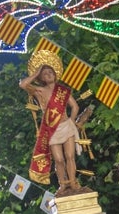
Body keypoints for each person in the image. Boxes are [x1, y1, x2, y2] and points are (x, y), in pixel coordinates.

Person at [20, 52, 81, 195]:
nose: (48, 75)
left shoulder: (63, 91)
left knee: (70, 156)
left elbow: (75, 107)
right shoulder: (39, 91)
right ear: (40, 78)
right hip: (51, 129)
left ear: (55, 74)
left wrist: (71, 121)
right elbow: (23, 84)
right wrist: (36, 73)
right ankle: (63, 184)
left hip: (66, 126)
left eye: (50, 72)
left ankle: (73, 182)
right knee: (59, 160)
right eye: (44, 73)